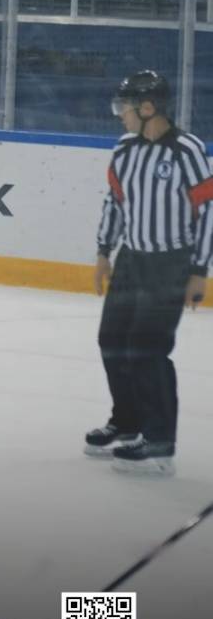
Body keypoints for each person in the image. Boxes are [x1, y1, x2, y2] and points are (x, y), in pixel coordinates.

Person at [84, 70, 212, 477]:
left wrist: (199, 269)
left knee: (148, 348)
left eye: (124, 107)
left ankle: (159, 442)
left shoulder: (187, 151)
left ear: (148, 108)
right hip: (131, 261)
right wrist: (104, 252)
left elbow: (208, 208)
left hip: (170, 263)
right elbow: (115, 202)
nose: (119, 114)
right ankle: (127, 422)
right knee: (112, 340)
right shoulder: (124, 150)